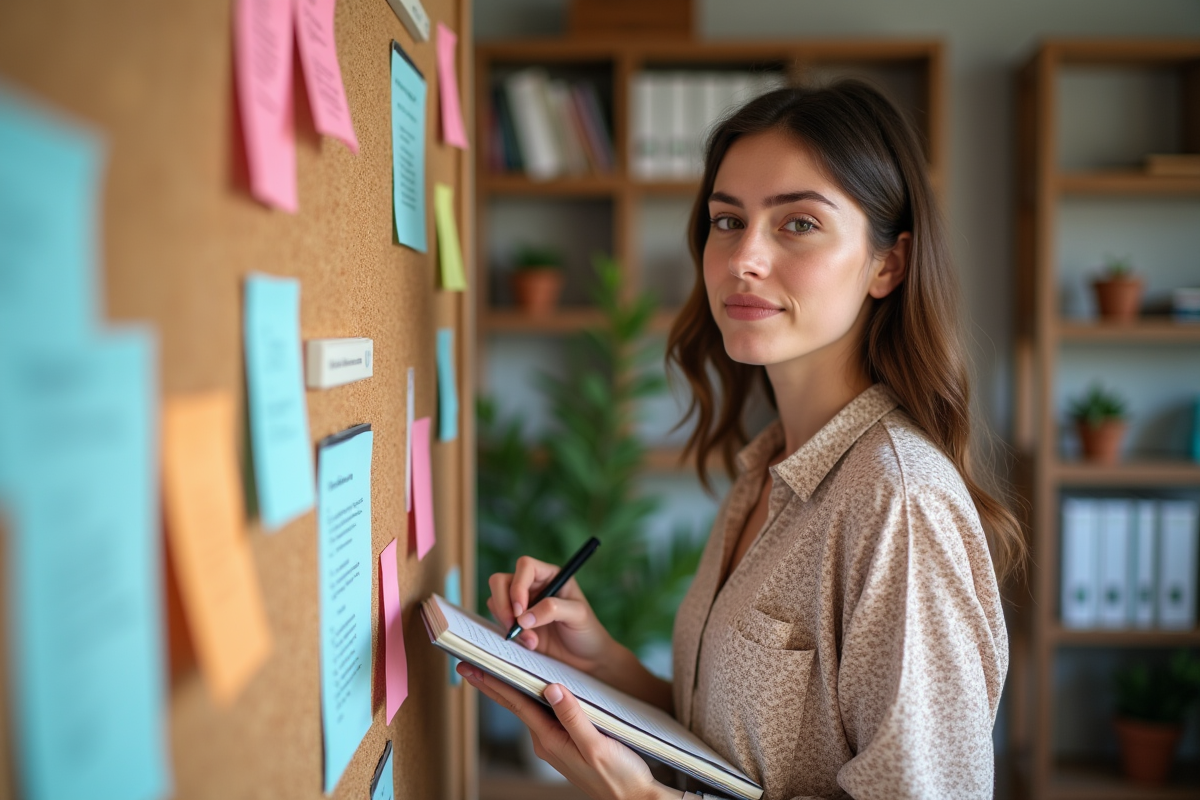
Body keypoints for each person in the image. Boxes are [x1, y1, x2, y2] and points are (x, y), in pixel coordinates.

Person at [457, 80, 1025, 800]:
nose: (744, 258)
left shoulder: (897, 503)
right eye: (728, 222)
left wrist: (641, 796)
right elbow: (738, 755)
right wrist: (605, 666)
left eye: (799, 224)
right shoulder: (769, 467)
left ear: (890, 263)